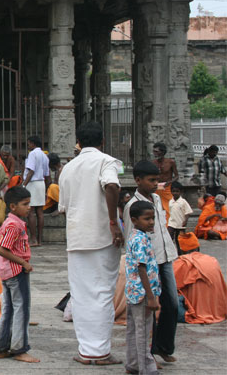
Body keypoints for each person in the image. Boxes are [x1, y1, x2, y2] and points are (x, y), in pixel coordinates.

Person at [58, 121, 123, 366]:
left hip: (76, 237)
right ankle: (99, 351)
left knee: (82, 294)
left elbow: (63, 208)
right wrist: (113, 221)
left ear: (78, 142)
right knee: (103, 292)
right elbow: (111, 185)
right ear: (102, 141)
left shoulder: (68, 168)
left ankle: (87, 350)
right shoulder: (106, 161)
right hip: (102, 236)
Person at [123, 160, 179, 364]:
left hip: (166, 257)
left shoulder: (157, 199)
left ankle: (163, 347)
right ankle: (147, 355)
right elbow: (132, 239)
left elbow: (162, 228)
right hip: (148, 263)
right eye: (151, 180)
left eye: (157, 179)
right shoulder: (132, 207)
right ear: (138, 180)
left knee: (171, 304)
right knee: (150, 307)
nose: (155, 183)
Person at [0, 186, 39, 363]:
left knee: (8, 309)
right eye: (25, 204)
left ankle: (2, 347)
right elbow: (3, 248)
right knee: (22, 310)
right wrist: (22, 262)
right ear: (13, 206)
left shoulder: (8, 222)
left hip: (6, 272)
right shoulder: (14, 225)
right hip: (16, 272)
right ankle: (19, 348)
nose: (29, 207)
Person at [124, 200, 161, 375]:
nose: (151, 222)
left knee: (133, 328)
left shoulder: (137, 236)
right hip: (143, 292)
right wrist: (151, 296)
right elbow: (142, 267)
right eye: (147, 219)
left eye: (153, 218)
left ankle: (132, 363)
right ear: (135, 220)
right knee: (143, 331)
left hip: (134, 291)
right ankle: (146, 368)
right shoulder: (140, 239)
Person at [173, 251, 227, 324]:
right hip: (218, 309)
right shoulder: (212, 261)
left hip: (196, 311)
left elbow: (171, 286)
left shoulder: (181, 264)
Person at [22, 136, 50, 246]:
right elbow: (47, 175)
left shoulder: (32, 154)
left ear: (33, 144)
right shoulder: (44, 155)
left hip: (32, 183)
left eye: (28, 144)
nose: (28, 146)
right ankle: (40, 239)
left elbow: (31, 171)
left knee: (31, 212)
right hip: (41, 183)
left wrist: (23, 185)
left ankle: (33, 239)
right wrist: (47, 189)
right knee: (40, 212)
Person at [152, 142, 178, 221]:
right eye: (154, 151)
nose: (154, 153)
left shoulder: (170, 162)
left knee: (168, 208)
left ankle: (168, 226)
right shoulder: (153, 163)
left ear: (162, 152)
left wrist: (169, 183)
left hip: (167, 188)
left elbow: (176, 176)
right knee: (156, 207)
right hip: (156, 187)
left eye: (157, 151)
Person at [167, 181, 193, 253]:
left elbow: (188, 212)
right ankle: (170, 252)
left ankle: (180, 253)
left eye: (177, 191)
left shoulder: (183, 201)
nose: (175, 193)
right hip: (172, 223)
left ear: (180, 192)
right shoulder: (170, 201)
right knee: (169, 237)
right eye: (173, 191)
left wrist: (185, 221)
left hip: (180, 224)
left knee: (179, 240)